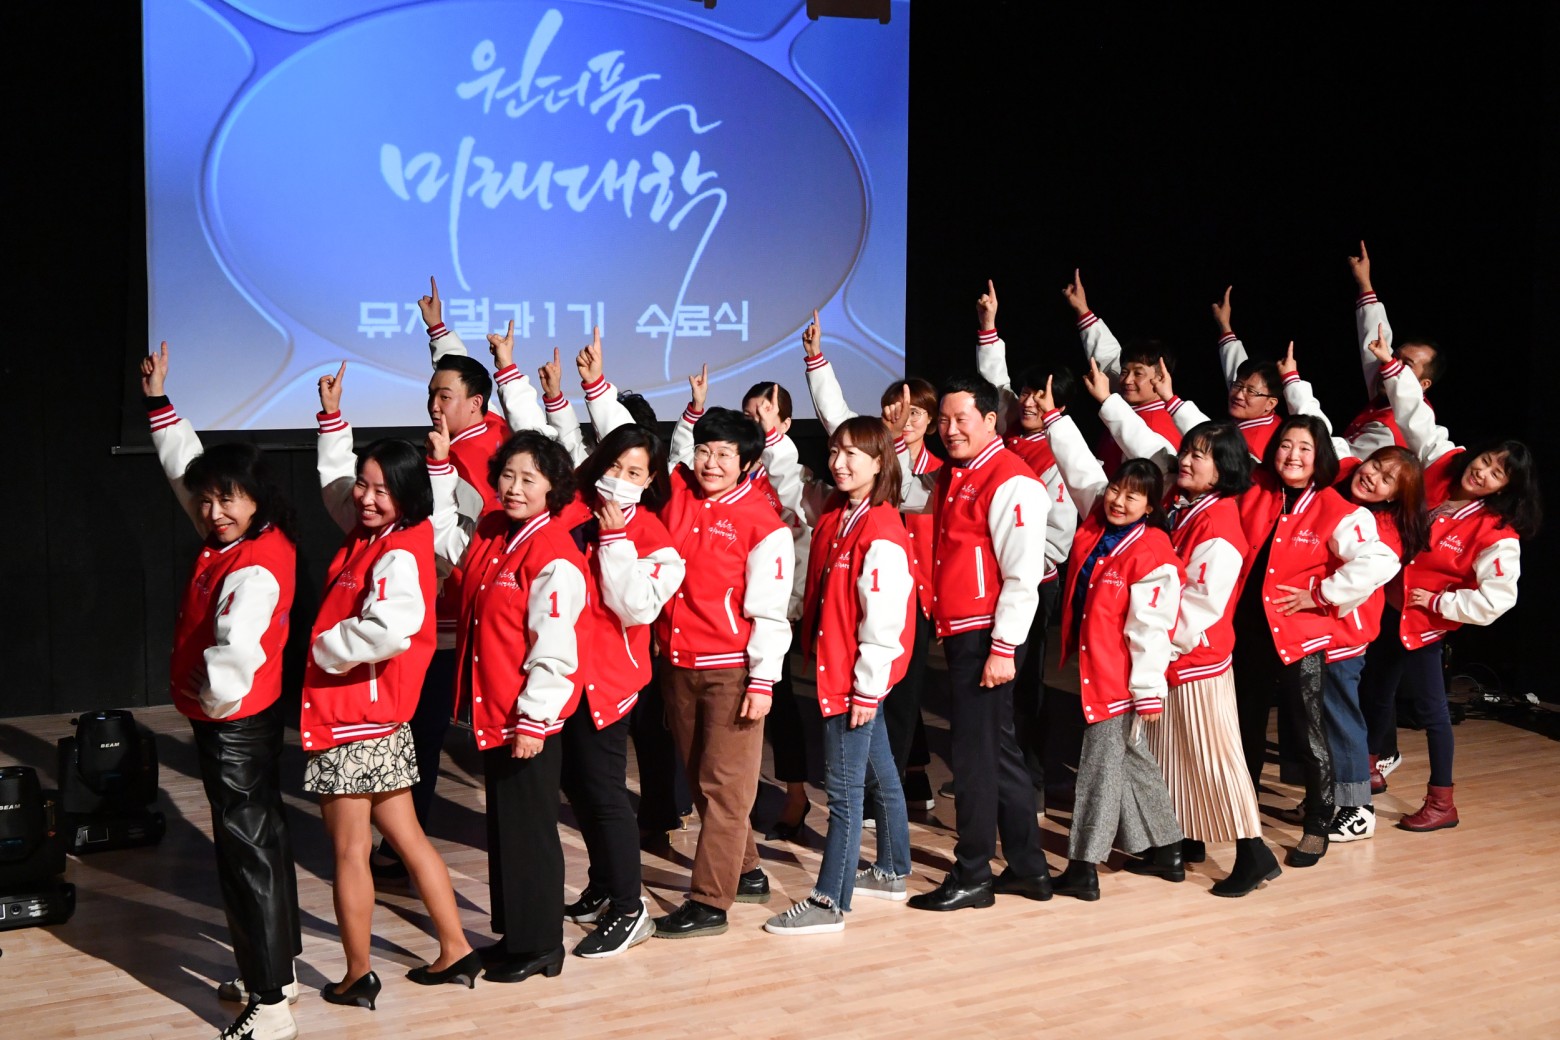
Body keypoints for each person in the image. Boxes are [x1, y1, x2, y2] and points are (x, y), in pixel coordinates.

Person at [140, 342, 303, 1040]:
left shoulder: (252, 567)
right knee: (261, 842)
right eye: (207, 500)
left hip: (233, 722)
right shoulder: (245, 538)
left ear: (255, 496)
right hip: (249, 720)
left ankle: (271, 1004)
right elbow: (188, 472)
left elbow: (233, 656)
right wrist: (159, 405)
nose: (212, 510)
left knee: (247, 854)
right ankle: (278, 974)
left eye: (226, 498)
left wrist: (210, 705)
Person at [305, 365, 478, 1008]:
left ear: (407, 494)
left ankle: (357, 974)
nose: (366, 497)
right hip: (373, 720)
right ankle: (456, 949)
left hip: (355, 719)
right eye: (364, 484)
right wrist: (332, 420)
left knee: (351, 852)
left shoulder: (401, 549)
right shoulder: (374, 536)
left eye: (382, 489)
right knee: (406, 840)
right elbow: (335, 485)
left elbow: (394, 627)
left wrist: (325, 650)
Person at [1080, 376, 1284, 896]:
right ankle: (1177, 846)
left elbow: (1198, 610)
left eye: (1199, 456)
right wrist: (1108, 402)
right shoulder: (1184, 503)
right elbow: (1147, 445)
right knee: (1173, 759)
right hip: (1172, 659)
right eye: (1188, 452)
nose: (1186, 461)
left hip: (1197, 660)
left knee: (1216, 760)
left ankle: (1253, 853)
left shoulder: (1221, 529)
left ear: (1225, 470)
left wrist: (1158, 652)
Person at [428, 429, 588, 983]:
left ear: (553, 487)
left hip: (526, 718)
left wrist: (534, 721)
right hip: (494, 711)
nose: (514, 488)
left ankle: (541, 944)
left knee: (531, 831)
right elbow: (448, 545)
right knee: (507, 828)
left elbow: (555, 647)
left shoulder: (554, 553)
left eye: (529, 479)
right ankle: (516, 934)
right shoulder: (498, 530)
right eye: (508, 476)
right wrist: (441, 469)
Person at [368, 279, 513, 885]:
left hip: (457, 614)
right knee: (421, 729)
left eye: (443, 398)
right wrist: (438, 331)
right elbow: (461, 378)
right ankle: (402, 842)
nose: (433, 404)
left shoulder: (479, 454)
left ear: (475, 404)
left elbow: (459, 539)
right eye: (430, 395)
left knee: (423, 730)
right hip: (446, 611)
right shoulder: (474, 431)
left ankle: (404, 846)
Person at [1367, 330, 1538, 830]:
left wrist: (1441, 603)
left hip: (1424, 625)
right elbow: (1414, 414)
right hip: (1388, 606)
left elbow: (1498, 600)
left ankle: (1442, 802)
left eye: (1496, 474)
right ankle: (1371, 769)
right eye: (1486, 461)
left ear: (1505, 488)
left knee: (1432, 712)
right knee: (1375, 692)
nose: (1482, 472)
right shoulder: (1443, 461)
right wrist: (1391, 366)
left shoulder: (1498, 533)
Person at [648, 370, 795, 938]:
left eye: (724, 454)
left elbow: (770, 612)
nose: (710, 463)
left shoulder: (763, 524)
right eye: (705, 451)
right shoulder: (682, 492)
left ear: (747, 463)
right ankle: (748, 870)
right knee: (699, 778)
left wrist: (762, 681)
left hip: (732, 671)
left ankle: (710, 903)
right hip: (678, 665)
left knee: (725, 788)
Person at [900, 375, 1053, 912]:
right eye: (942, 420)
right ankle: (1029, 868)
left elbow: (1022, 576)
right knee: (997, 750)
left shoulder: (1012, 480)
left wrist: (1004, 648)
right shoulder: (955, 472)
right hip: (965, 630)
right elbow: (901, 492)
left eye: (960, 419)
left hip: (988, 633)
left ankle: (972, 875)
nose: (949, 430)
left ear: (991, 420)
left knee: (973, 758)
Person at [763, 416, 916, 933]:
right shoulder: (840, 511)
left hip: (854, 677)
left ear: (880, 462)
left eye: (853, 454)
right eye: (834, 451)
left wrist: (867, 690)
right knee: (880, 770)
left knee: (845, 794)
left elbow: (883, 622)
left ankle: (829, 901)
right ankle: (892, 869)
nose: (839, 462)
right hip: (845, 670)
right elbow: (793, 485)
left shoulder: (882, 531)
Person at [1232, 415, 1399, 867]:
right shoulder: (1255, 489)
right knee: (1245, 728)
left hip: (1299, 638)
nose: (1293, 455)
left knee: (1310, 733)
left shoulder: (1337, 509)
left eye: (1304, 448)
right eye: (1286, 445)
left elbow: (1381, 560)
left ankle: (1318, 824)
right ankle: (1243, 815)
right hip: (1248, 634)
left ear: (1319, 456)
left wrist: (1321, 594)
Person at [1276, 343, 1426, 843]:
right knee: (1318, 716)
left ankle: (1357, 808)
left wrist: (1320, 594)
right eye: (1374, 466)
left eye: (1386, 479)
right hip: (1319, 629)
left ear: (1398, 495)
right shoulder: (1343, 480)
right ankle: (1328, 795)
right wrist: (1293, 379)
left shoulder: (1385, 528)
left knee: (1339, 716)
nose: (1371, 476)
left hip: (1344, 633)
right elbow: (1318, 426)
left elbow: (1374, 568)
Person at [1038, 404, 1185, 901]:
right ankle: (1168, 849)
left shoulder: (1153, 553)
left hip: (1120, 678)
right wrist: (1055, 418)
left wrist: (1147, 691)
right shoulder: (1098, 524)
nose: (1120, 500)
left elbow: (1151, 629)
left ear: (1151, 507)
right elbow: (1080, 468)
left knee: (1099, 770)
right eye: (1117, 489)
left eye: (1134, 496)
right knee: (1131, 758)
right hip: (1096, 668)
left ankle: (1083, 867)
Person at [556, 424, 686, 957]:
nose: (620, 479)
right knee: (579, 788)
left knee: (606, 794)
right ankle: (605, 884)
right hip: (563, 675)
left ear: (650, 480)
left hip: (609, 682)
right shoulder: (571, 511)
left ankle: (631, 910)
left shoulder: (654, 536)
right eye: (614, 466)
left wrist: (613, 542)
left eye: (634, 472)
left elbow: (632, 607)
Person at [802, 312, 940, 810]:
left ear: (930, 421)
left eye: (914, 412)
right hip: (861, 593)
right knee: (886, 698)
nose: (903, 417)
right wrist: (816, 361)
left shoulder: (936, 473)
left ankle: (890, 791)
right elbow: (837, 420)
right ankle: (896, 788)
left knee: (899, 695)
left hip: (916, 596)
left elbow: (911, 497)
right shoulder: (862, 464)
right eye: (894, 408)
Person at [973, 281, 1082, 795]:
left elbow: (1058, 538)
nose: (1031, 400)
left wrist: (1018, 565)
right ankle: (995, 768)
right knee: (993, 675)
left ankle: (1031, 775)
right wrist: (989, 327)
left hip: (1035, 583)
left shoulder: (1061, 453)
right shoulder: (1007, 433)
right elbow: (994, 383)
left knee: (1024, 679)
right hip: (993, 578)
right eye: (1029, 391)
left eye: (1043, 394)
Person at [1064, 268, 1182, 472]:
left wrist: (1106, 399)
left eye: (1138, 374)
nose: (1126, 380)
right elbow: (1108, 358)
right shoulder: (1132, 404)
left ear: (1161, 378)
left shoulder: (1161, 426)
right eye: (1125, 372)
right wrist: (1082, 310)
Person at [1341, 242, 1445, 459]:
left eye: (1407, 365)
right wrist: (1364, 282)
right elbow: (1375, 340)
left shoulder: (1391, 428)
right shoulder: (1392, 389)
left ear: (1423, 384)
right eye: (1395, 357)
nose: (1391, 365)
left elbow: (1339, 462)